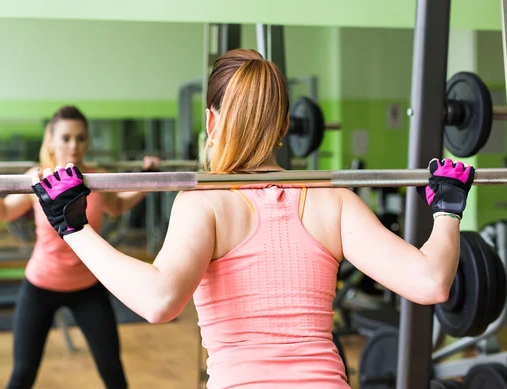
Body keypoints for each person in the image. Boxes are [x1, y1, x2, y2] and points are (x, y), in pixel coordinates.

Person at [29, 50, 475, 388]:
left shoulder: (204, 202)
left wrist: (73, 226)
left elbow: (159, 301)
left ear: (212, 120)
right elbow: (431, 282)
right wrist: (447, 209)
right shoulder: (333, 200)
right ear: (284, 126)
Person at [0, 105, 159, 389]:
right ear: (51, 140)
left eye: (80, 138)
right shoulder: (38, 178)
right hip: (41, 286)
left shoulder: (96, 177)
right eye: (66, 137)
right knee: (22, 373)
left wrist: (149, 178)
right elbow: (4, 211)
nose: (74, 145)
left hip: (88, 287)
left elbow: (118, 205)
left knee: (112, 369)